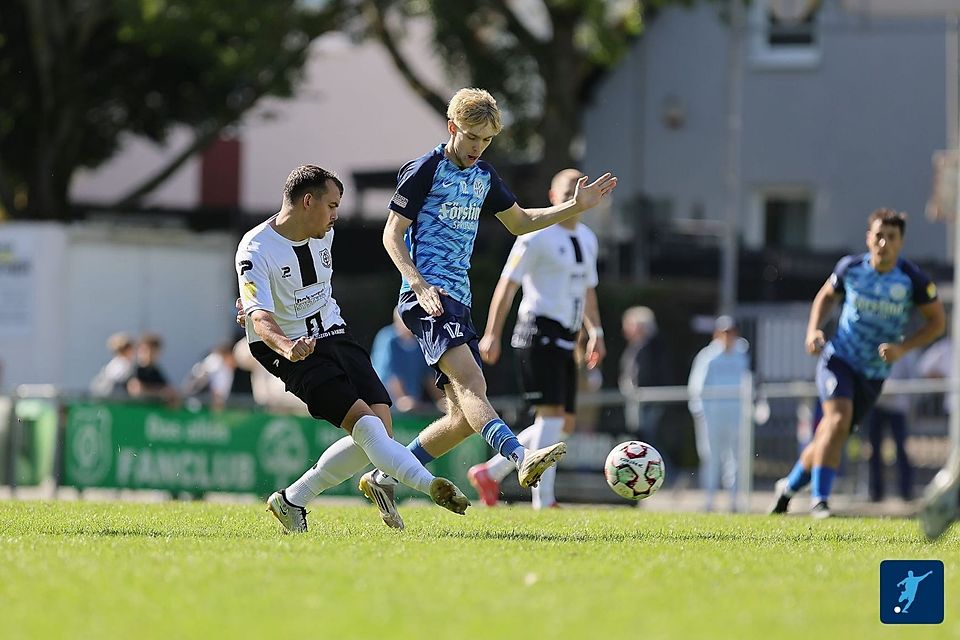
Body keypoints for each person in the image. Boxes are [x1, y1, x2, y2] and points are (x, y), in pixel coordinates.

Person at [359, 88, 618, 526]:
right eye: (471, 137)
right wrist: (418, 284)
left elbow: (520, 222)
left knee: (462, 417)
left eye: (486, 140)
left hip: (458, 301)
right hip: (428, 300)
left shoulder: (483, 176)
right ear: (452, 128)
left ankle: (384, 477)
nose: (478, 147)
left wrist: (574, 206)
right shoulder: (424, 169)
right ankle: (520, 457)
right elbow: (391, 234)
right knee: (474, 383)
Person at [236, 165, 470, 533]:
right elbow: (260, 317)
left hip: (333, 330)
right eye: (331, 205)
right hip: (289, 347)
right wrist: (288, 346)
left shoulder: (322, 233)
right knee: (367, 427)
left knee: (381, 432)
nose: (336, 215)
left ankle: (293, 499)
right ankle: (430, 486)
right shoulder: (255, 249)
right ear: (307, 201)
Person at [770, 209, 945, 518]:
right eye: (878, 236)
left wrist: (903, 348)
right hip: (838, 359)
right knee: (837, 422)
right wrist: (813, 330)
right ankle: (820, 501)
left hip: (874, 373)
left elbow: (937, 323)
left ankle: (788, 488)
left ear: (901, 242)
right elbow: (825, 296)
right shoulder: (850, 268)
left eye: (891, 237)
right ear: (868, 238)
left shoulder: (912, 280)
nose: (883, 243)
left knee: (830, 434)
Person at [467, 168, 606, 509]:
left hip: (568, 337)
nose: (578, 193)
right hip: (537, 331)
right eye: (570, 188)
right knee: (552, 416)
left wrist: (596, 332)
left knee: (563, 423)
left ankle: (491, 471)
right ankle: (544, 500)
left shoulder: (588, 238)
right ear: (552, 196)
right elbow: (507, 284)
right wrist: (492, 334)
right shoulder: (535, 235)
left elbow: (587, 290)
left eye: (582, 187)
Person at [687, 315, 751, 512]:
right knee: (710, 457)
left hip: (736, 415)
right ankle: (709, 500)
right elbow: (697, 386)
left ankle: (733, 501)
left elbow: (748, 382)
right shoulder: (708, 356)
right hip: (712, 415)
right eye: (724, 332)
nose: (727, 337)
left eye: (731, 332)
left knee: (735, 458)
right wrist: (699, 411)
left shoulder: (742, 355)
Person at [864, 350, 918, 502]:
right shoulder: (874, 348)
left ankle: (906, 491)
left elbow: (913, 377)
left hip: (898, 407)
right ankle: (876, 492)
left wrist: (908, 403)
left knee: (901, 448)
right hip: (877, 405)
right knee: (874, 450)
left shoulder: (906, 351)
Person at [370, 309, 442, 412]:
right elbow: (390, 375)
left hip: (412, 405)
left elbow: (428, 375)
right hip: (385, 404)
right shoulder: (387, 338)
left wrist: (440, 401)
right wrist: (402, 399)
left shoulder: (420, 341)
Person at [619, 306, 671, 443]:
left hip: (646, 402)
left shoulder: (649, 347)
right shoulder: (637, 346)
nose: (625, 329)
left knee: (645, 441)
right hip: (638, 401)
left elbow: (643, 375)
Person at [127, 332, 179, 406]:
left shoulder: (156, 371)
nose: (149, 354)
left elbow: (168, 390)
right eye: (146, 350)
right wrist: (159, 393)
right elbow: (136, 390)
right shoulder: (134, 369)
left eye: (154, 351)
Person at [183, 342, 237, 411]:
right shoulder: (217, 362)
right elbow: (216, 392)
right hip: (199, 403)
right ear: (229, 355)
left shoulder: (221, 364)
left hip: (198, 401)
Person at [90, 332, 135, 398]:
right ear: (126, 350)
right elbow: (118, 381)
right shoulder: (124, 363)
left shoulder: (114, 363)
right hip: (116, 397)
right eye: (131, 349)